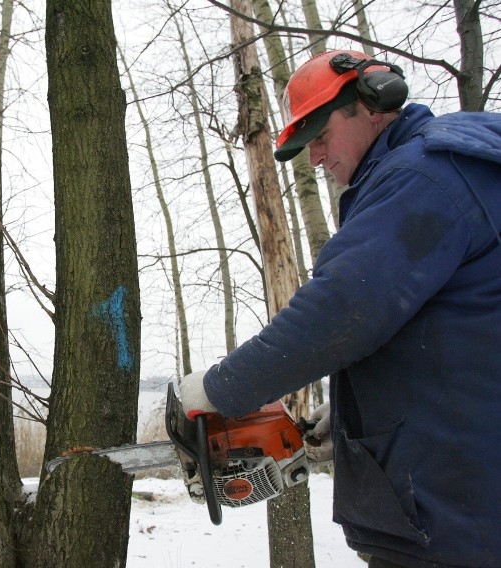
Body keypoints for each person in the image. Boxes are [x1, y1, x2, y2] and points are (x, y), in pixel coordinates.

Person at [179, 49, 501, 568]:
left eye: (321, 137)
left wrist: (219, 389)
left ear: (374, 104)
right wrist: (355, 410)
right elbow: (440, 333)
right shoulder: (430, 175)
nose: (316, 158)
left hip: (457, 520)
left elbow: (343, 309)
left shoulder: (425, 176)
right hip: (454, 504)